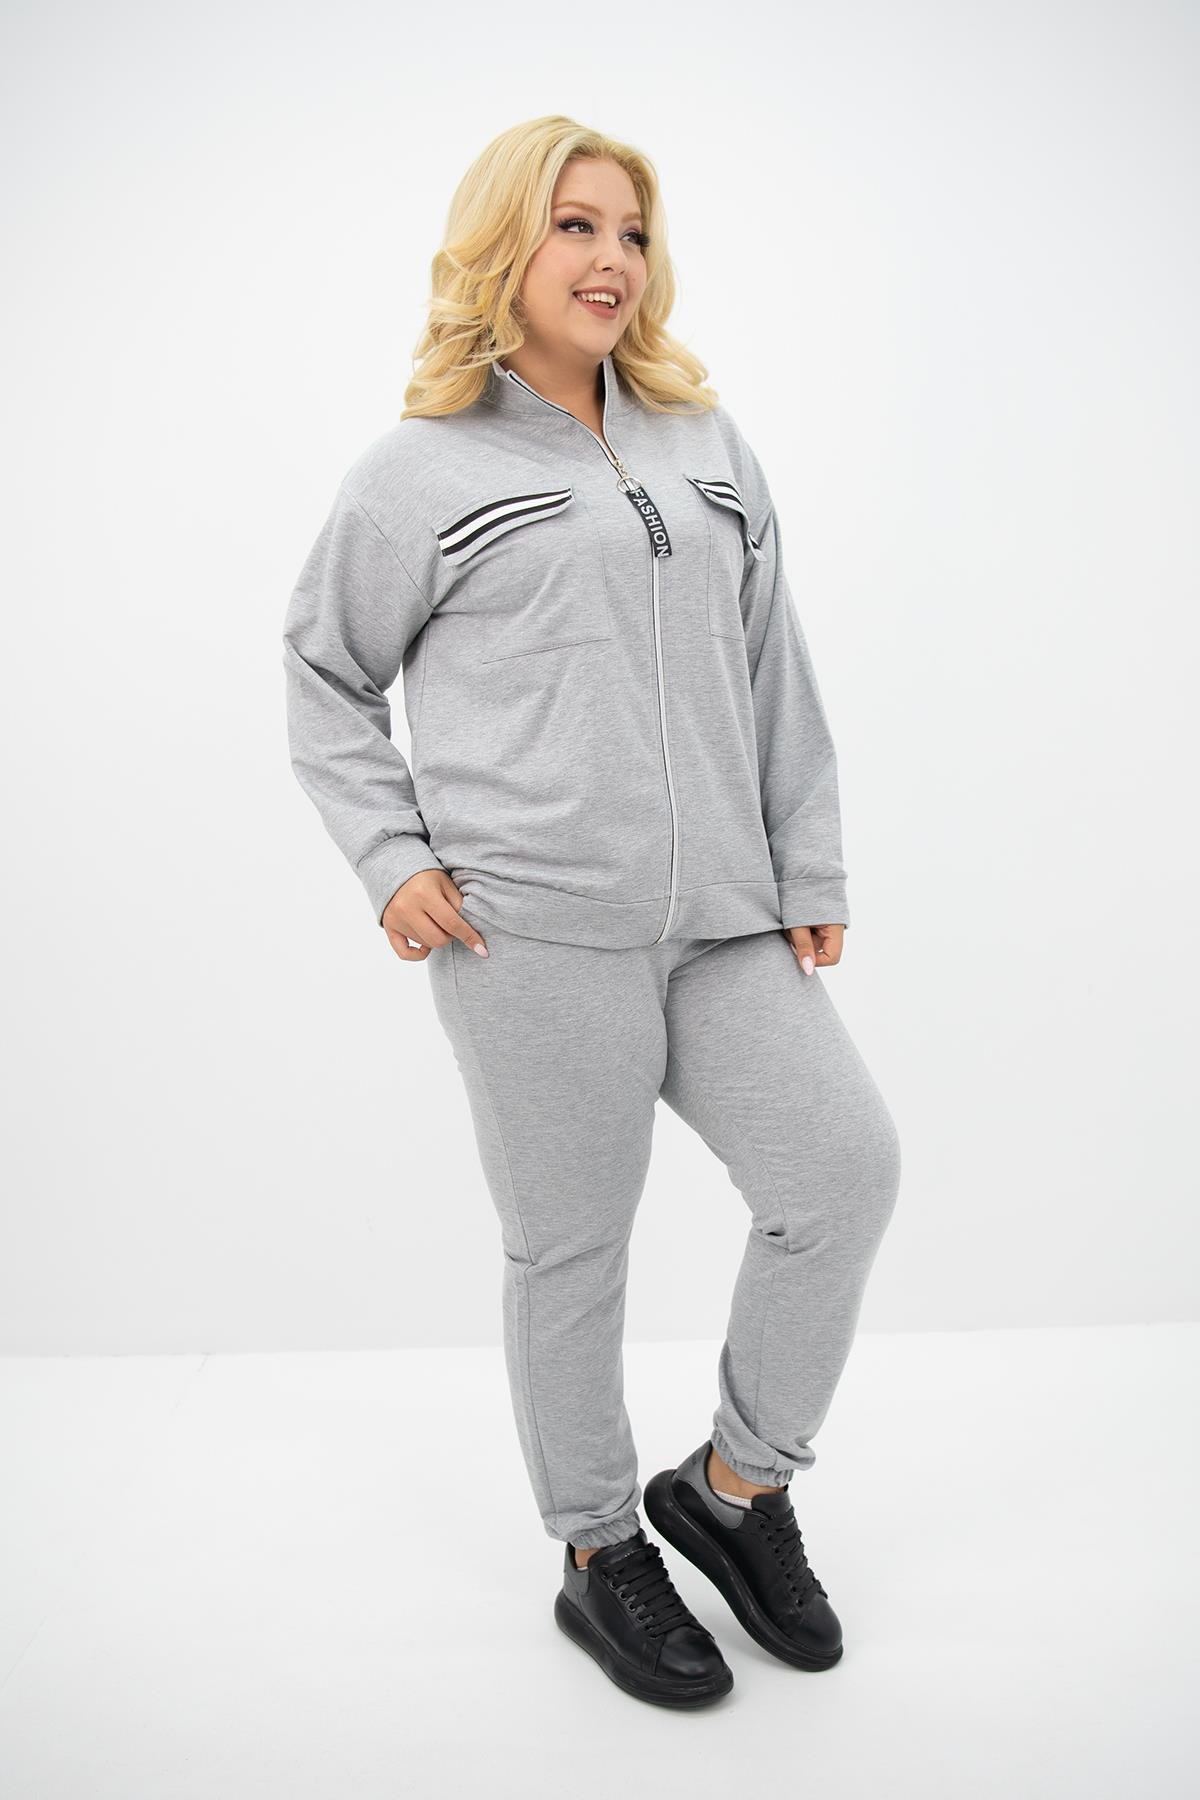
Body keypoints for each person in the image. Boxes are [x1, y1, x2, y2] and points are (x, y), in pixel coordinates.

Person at [282, 115, 902, 1710]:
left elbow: (773, 658)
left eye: (631, 230)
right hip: (533, 930)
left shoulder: (705, 439)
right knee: (574, 1251)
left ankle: (737, 1491)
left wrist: (810, 863)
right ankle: (595, 1547)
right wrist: (391, 855)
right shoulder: (418, 472)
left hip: (727, 921)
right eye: (575, 225)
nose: (611, 257)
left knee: (841, 1172)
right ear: (507, 245)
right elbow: (324, 674)